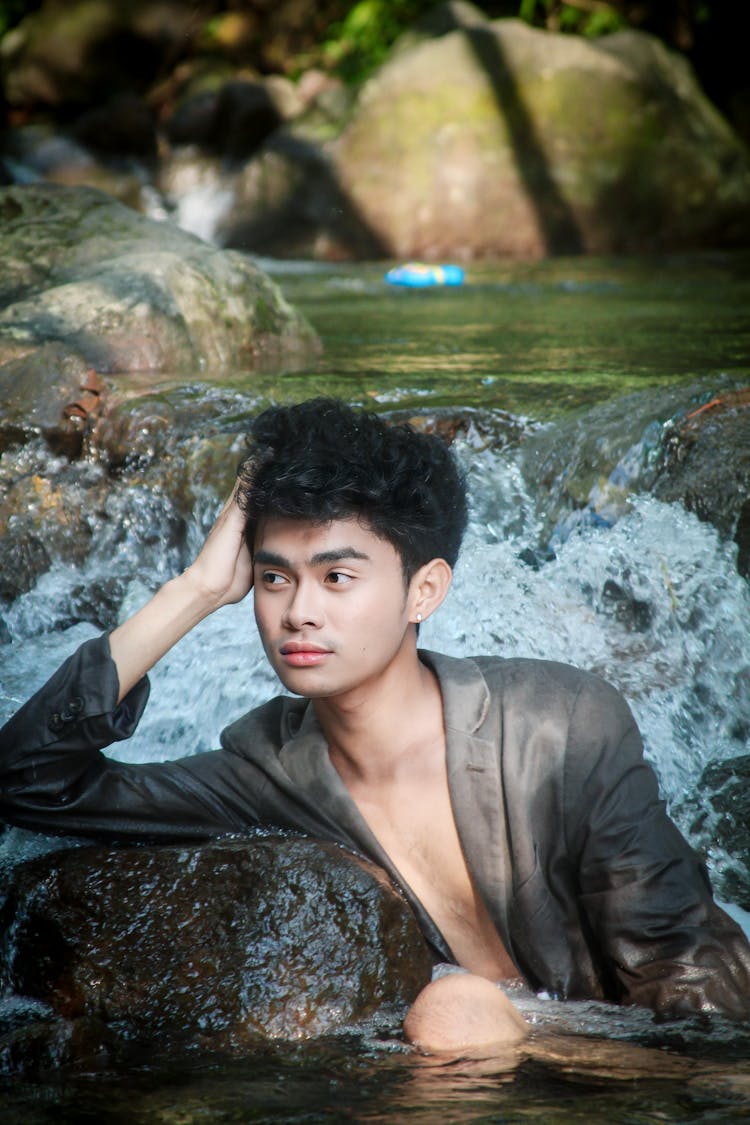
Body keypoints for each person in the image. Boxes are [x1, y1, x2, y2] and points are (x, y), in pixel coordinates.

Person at [1, 397, 749, 1052]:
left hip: (644, 1064)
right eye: (272, 577)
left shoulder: (565, 725)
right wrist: (194, 591)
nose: (298, 611)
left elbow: (687, 972)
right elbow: (28, 780)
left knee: (455, 1011)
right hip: (458, 1078)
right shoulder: (264, 771)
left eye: (337, 577)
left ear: (424, 589)